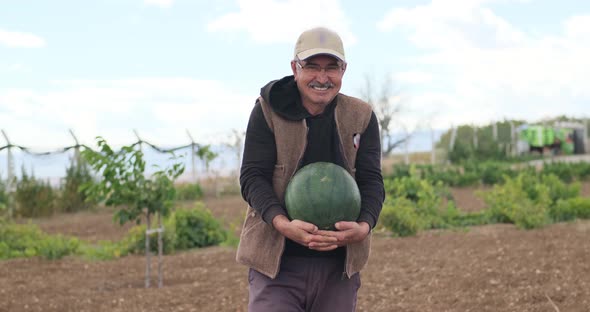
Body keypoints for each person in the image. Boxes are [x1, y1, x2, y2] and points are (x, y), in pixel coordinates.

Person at [237, 26, 385, 312]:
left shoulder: (361, 116)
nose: (322, 77)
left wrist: (364, 226)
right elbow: (252, 178)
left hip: (338, 269)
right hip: (276, 266)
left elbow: (371, 181)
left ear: (344, 70)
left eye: (332, 68)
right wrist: (283, 224)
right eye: (312, 67)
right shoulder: (268, 110)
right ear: (295, 68)